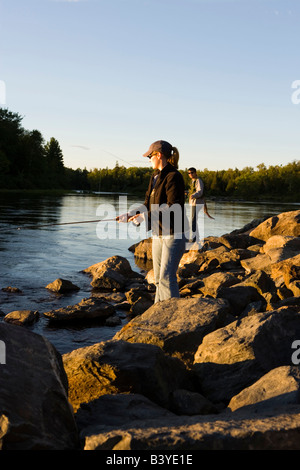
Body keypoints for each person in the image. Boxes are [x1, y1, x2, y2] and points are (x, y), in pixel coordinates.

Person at [117, 140, 187, 303]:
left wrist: (146, 217)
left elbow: (172, 206)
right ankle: (159, 313)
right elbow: (147, 204)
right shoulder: (155, 177)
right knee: (157, 280)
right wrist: (130, 214)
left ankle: (172, 314)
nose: (148, 159)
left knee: (167, 278)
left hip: (174, 234)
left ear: (159, 155)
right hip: (158, 233)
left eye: (150, 156)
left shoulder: (174, 176)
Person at [187, 167, 214, 242]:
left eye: (192, 172)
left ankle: (193, 239)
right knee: (193, 220)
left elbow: (200, 191)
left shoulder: (198, 180)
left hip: (197, 203)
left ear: (195, 173)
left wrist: (193, 195)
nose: (190, 174)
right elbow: (193, 191)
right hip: (193, 203)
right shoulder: (193, 181)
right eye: (189, 173)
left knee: (193, 221)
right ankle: (195, 238)